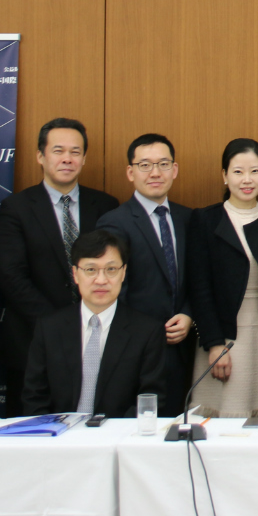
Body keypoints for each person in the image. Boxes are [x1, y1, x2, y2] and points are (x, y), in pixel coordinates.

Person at [0, 117, 119, 413]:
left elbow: (115, 269)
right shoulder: (16, 208)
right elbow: (11, 276)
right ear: (40, 156)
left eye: (75, 152)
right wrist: (60, 325)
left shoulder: (105, 206)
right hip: (34, 339)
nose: (67, 159)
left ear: (84, 158)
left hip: (98, 338)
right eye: (58, 150)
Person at [97, 134, 196, 415]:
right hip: (136, 351)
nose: (155, 172)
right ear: (131, 172)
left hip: (184, 349)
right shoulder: (114, 222)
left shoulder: (189, 218)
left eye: (163, 164)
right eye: (145, 165)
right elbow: (113, 291)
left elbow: (199, 279)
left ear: (174, 170)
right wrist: (148, 333)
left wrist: (189, 314)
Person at [22, 228, 166, 417]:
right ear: (75, 274)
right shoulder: (49, 328)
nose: (101, 280)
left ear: (123, 273)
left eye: (111, 269)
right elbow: (34, 398)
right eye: (91, 270)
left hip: (119, 433)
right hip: (59, 433)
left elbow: (151, 400)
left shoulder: (147, 331)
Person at [189, 139, 258, 417]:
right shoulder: (204, 220)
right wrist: (214, 343)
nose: (247, 180)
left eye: (254, 171)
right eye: (238, 172)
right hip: (223, 336)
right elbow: (199, 287)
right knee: (222, 417)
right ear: (224, 175)